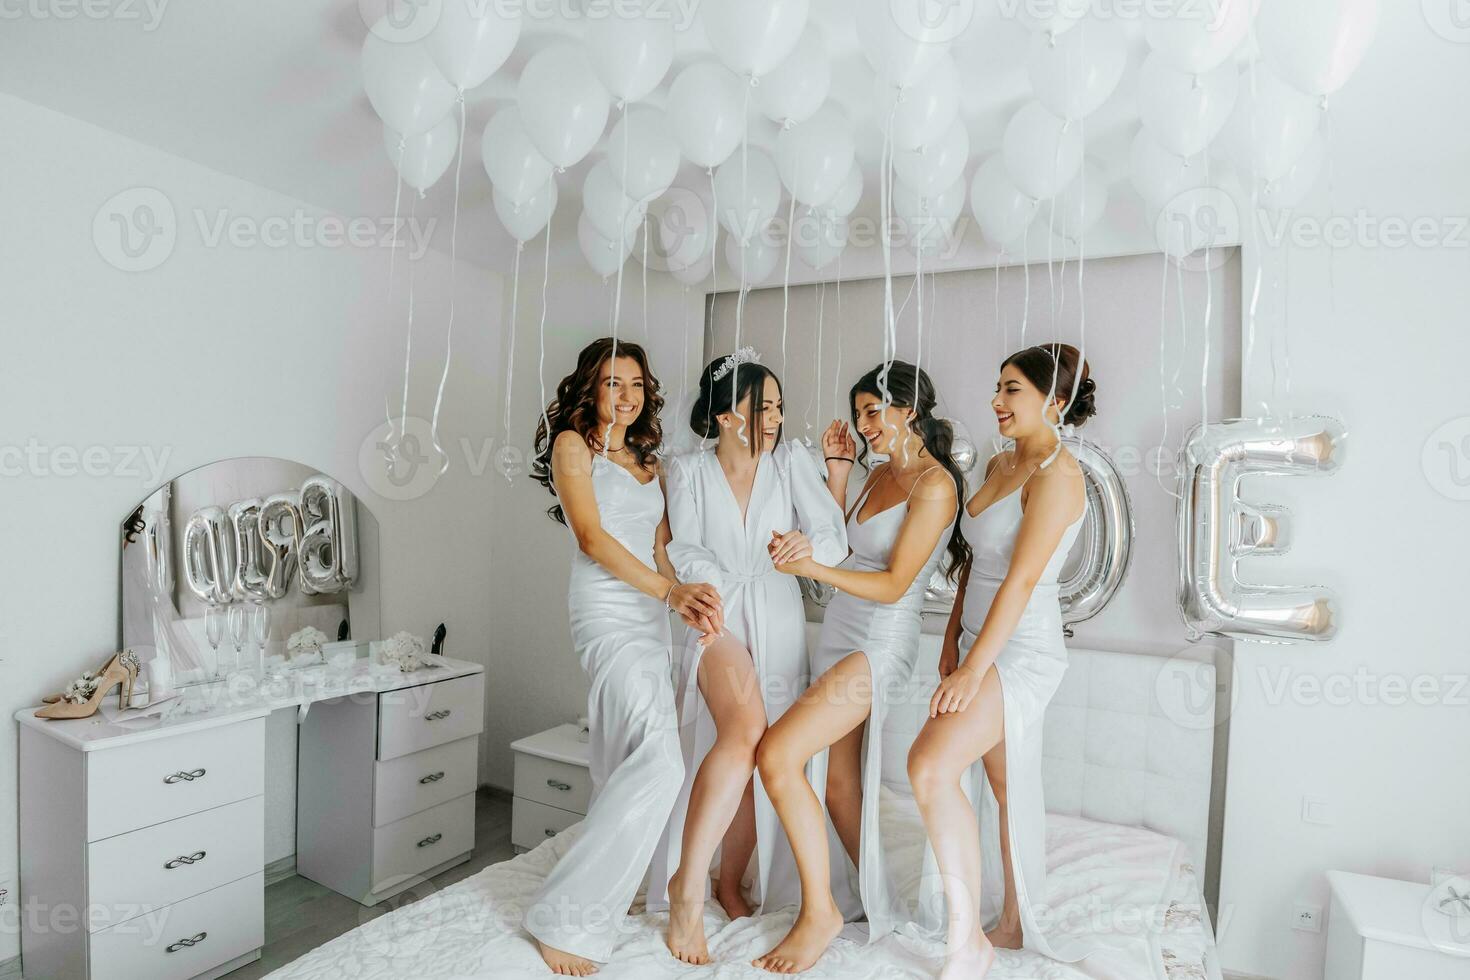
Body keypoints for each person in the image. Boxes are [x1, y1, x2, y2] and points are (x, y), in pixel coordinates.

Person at [751, 361, 969, 974]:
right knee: (838, 785)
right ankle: (871, 901)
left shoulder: (934, 485)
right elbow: (843, 546)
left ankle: (817, 911)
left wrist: (812, 572)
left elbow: (897, 583)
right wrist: (840, 474)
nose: (865, 425)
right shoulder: (877, 475)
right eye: (859, 414)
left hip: (880, 641)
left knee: (777, 756)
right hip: (842, 629)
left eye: (875, 412)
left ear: (910, 409)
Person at [523, 338, 724, 977]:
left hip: (650, 609)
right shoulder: (573, 447)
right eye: (614, 383)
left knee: (622, 749)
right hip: (606, 610)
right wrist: (668, 590)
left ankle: (623, 883)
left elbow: (661, 548)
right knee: (662, 760)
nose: (627, 396)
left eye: (637, 384)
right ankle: (564, 915)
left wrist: (685, 602)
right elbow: (591, 536)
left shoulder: (650, 460)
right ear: (591, 387)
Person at [650, 349, 849, 965]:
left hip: (781, 609)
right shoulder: (685, 470)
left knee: (759, 754)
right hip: (716, 612)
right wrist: (710, 587)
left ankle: (728, 882)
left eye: (778, 407)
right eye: (761, 405)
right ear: (724, 410)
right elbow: (683, 545)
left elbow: (834, 537)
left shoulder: (790, 462)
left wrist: (804, 544)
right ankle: (688, 883)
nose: (773, 417)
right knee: (738, 731)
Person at [907, 343, 1097, 978]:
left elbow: (1017, 584)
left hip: (1021, 649)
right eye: (998, 385)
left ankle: (970, 942)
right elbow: (977, 565)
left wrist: (972, 670)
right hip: (975, 639)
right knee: (1004, 784)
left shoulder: (1059, 476)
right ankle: (1011, 920)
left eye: (1012, 388)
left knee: (929, 766)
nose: (997, 399)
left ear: (1056, 401)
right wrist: (952, 640)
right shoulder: (999, 460)